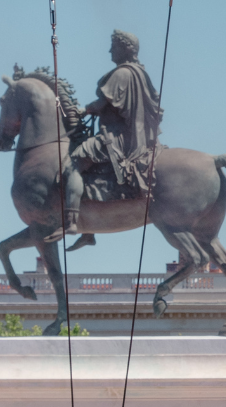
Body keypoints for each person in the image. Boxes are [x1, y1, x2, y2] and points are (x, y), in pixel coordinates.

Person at [63, 29, 164, 249]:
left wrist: (81, 110)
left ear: (126, 48)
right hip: (137, 136)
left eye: (114, 46)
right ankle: (88, 230)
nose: (110, 50)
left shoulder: (122, 73)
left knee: (73, 165)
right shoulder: (141, 73)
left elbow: (102, 104)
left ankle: (72, 222)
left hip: (117, 137)